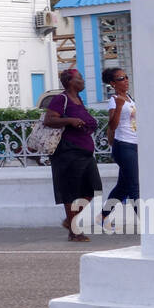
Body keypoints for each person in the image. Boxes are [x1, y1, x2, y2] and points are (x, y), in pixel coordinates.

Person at [41, 68, 101, 241]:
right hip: (68, 152)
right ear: (70, 82)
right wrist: (70, 120)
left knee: (92, 189)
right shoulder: (61, 99)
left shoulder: (78, 99)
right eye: (79, 78)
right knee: (71, 191)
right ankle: (74, 231)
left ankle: (69, 221)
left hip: (85, 152)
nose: (83, 81)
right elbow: (49, 119)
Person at [102, 66, 139, 233]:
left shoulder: (129, 98)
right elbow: (113, 125)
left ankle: (103, 216)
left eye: (126, 77)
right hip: (123, 146)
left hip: (135, 144)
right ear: (112, 83)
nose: (125, 80)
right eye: (120, 78)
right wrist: (117, 107)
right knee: (134, 185)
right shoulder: (114, 100)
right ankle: (145, 222)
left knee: (122, 187)